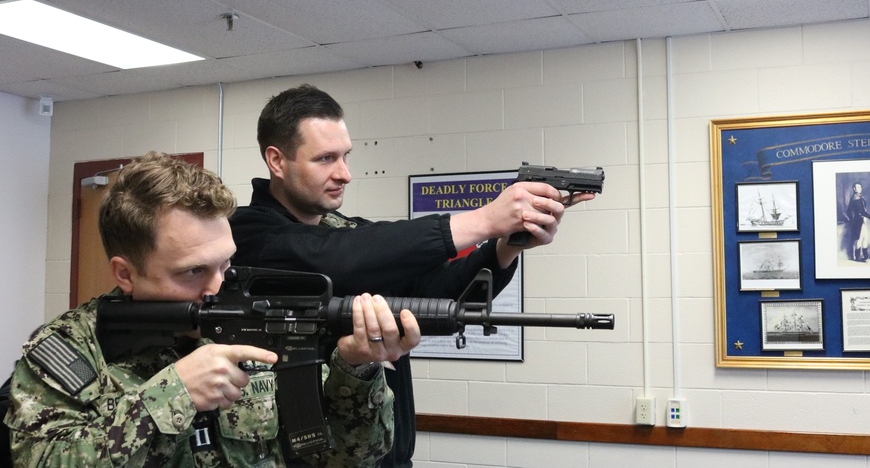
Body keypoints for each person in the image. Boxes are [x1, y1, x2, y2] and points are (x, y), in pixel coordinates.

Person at [230, 84, 595, 468]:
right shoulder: (248, 233)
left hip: (388, 456)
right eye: (325, 159)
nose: (345, 174)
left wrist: (507, 244)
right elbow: (334, 259)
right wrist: (484, 219)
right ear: (276, 160)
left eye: (346, 157)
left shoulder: (351, 235)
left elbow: (445, 296)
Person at [5, 152, 421, 467]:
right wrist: (171, 396)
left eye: (226, 264)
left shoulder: (253, 324)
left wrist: (354, 371)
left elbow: (347, 458)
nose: (219, 286)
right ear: (125, 273)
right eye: (192, 272)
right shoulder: (69, 350)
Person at [845, 181, 870, 262]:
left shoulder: (858, 197)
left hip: (861, 220)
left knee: (865, 237)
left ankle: (865, 255)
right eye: (858, 187)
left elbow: (849, 210)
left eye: (860, 187)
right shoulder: (855, 199)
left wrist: (862, 217)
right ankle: (858, 257)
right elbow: (861, 212)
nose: (860, 189)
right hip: (858, 221)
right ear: (854, 189)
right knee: (859, 239)